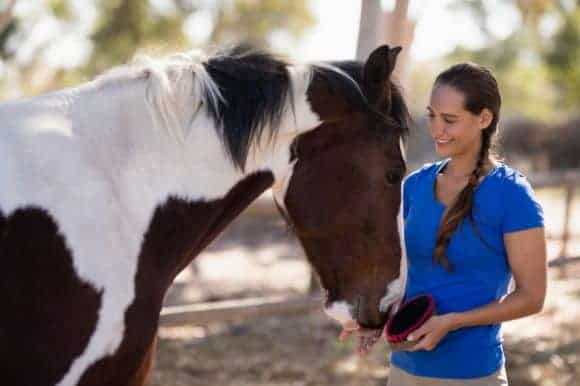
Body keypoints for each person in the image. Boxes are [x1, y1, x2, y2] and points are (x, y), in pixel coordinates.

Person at [341, 62, 548, 385]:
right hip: (403, 371)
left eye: (450, 120)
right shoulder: (414, 187)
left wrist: (453, 321)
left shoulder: (512, 194)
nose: (437, 129)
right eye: (432, 115)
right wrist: (374, 315)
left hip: (473, 374)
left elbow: (532, 297)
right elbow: (404, 275)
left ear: (484, 118)